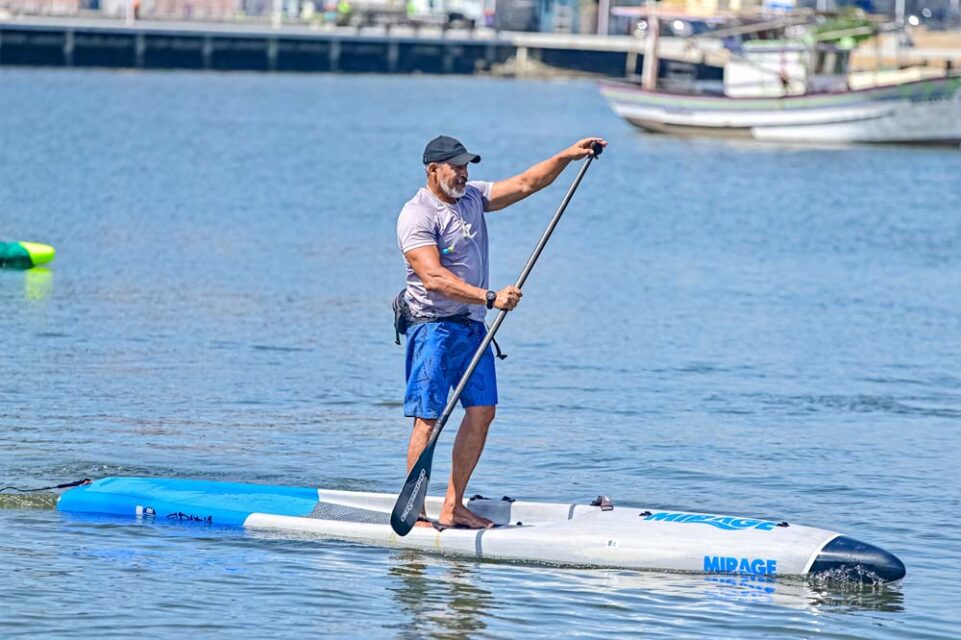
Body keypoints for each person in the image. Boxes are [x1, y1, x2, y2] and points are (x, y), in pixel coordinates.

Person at [396, 134, 607, 529]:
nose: (463, 173)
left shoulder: (473, 197)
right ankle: (418, 510)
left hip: (472, 327)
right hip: (433, 328)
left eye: (466, 166)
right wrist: (489, 297)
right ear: (433, 170)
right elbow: (432, 276)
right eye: (456, 166)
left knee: (482, 412)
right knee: (428, 418)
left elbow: (527, 183)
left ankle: (454, 506)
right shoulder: (417, 214)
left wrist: (566, 155)